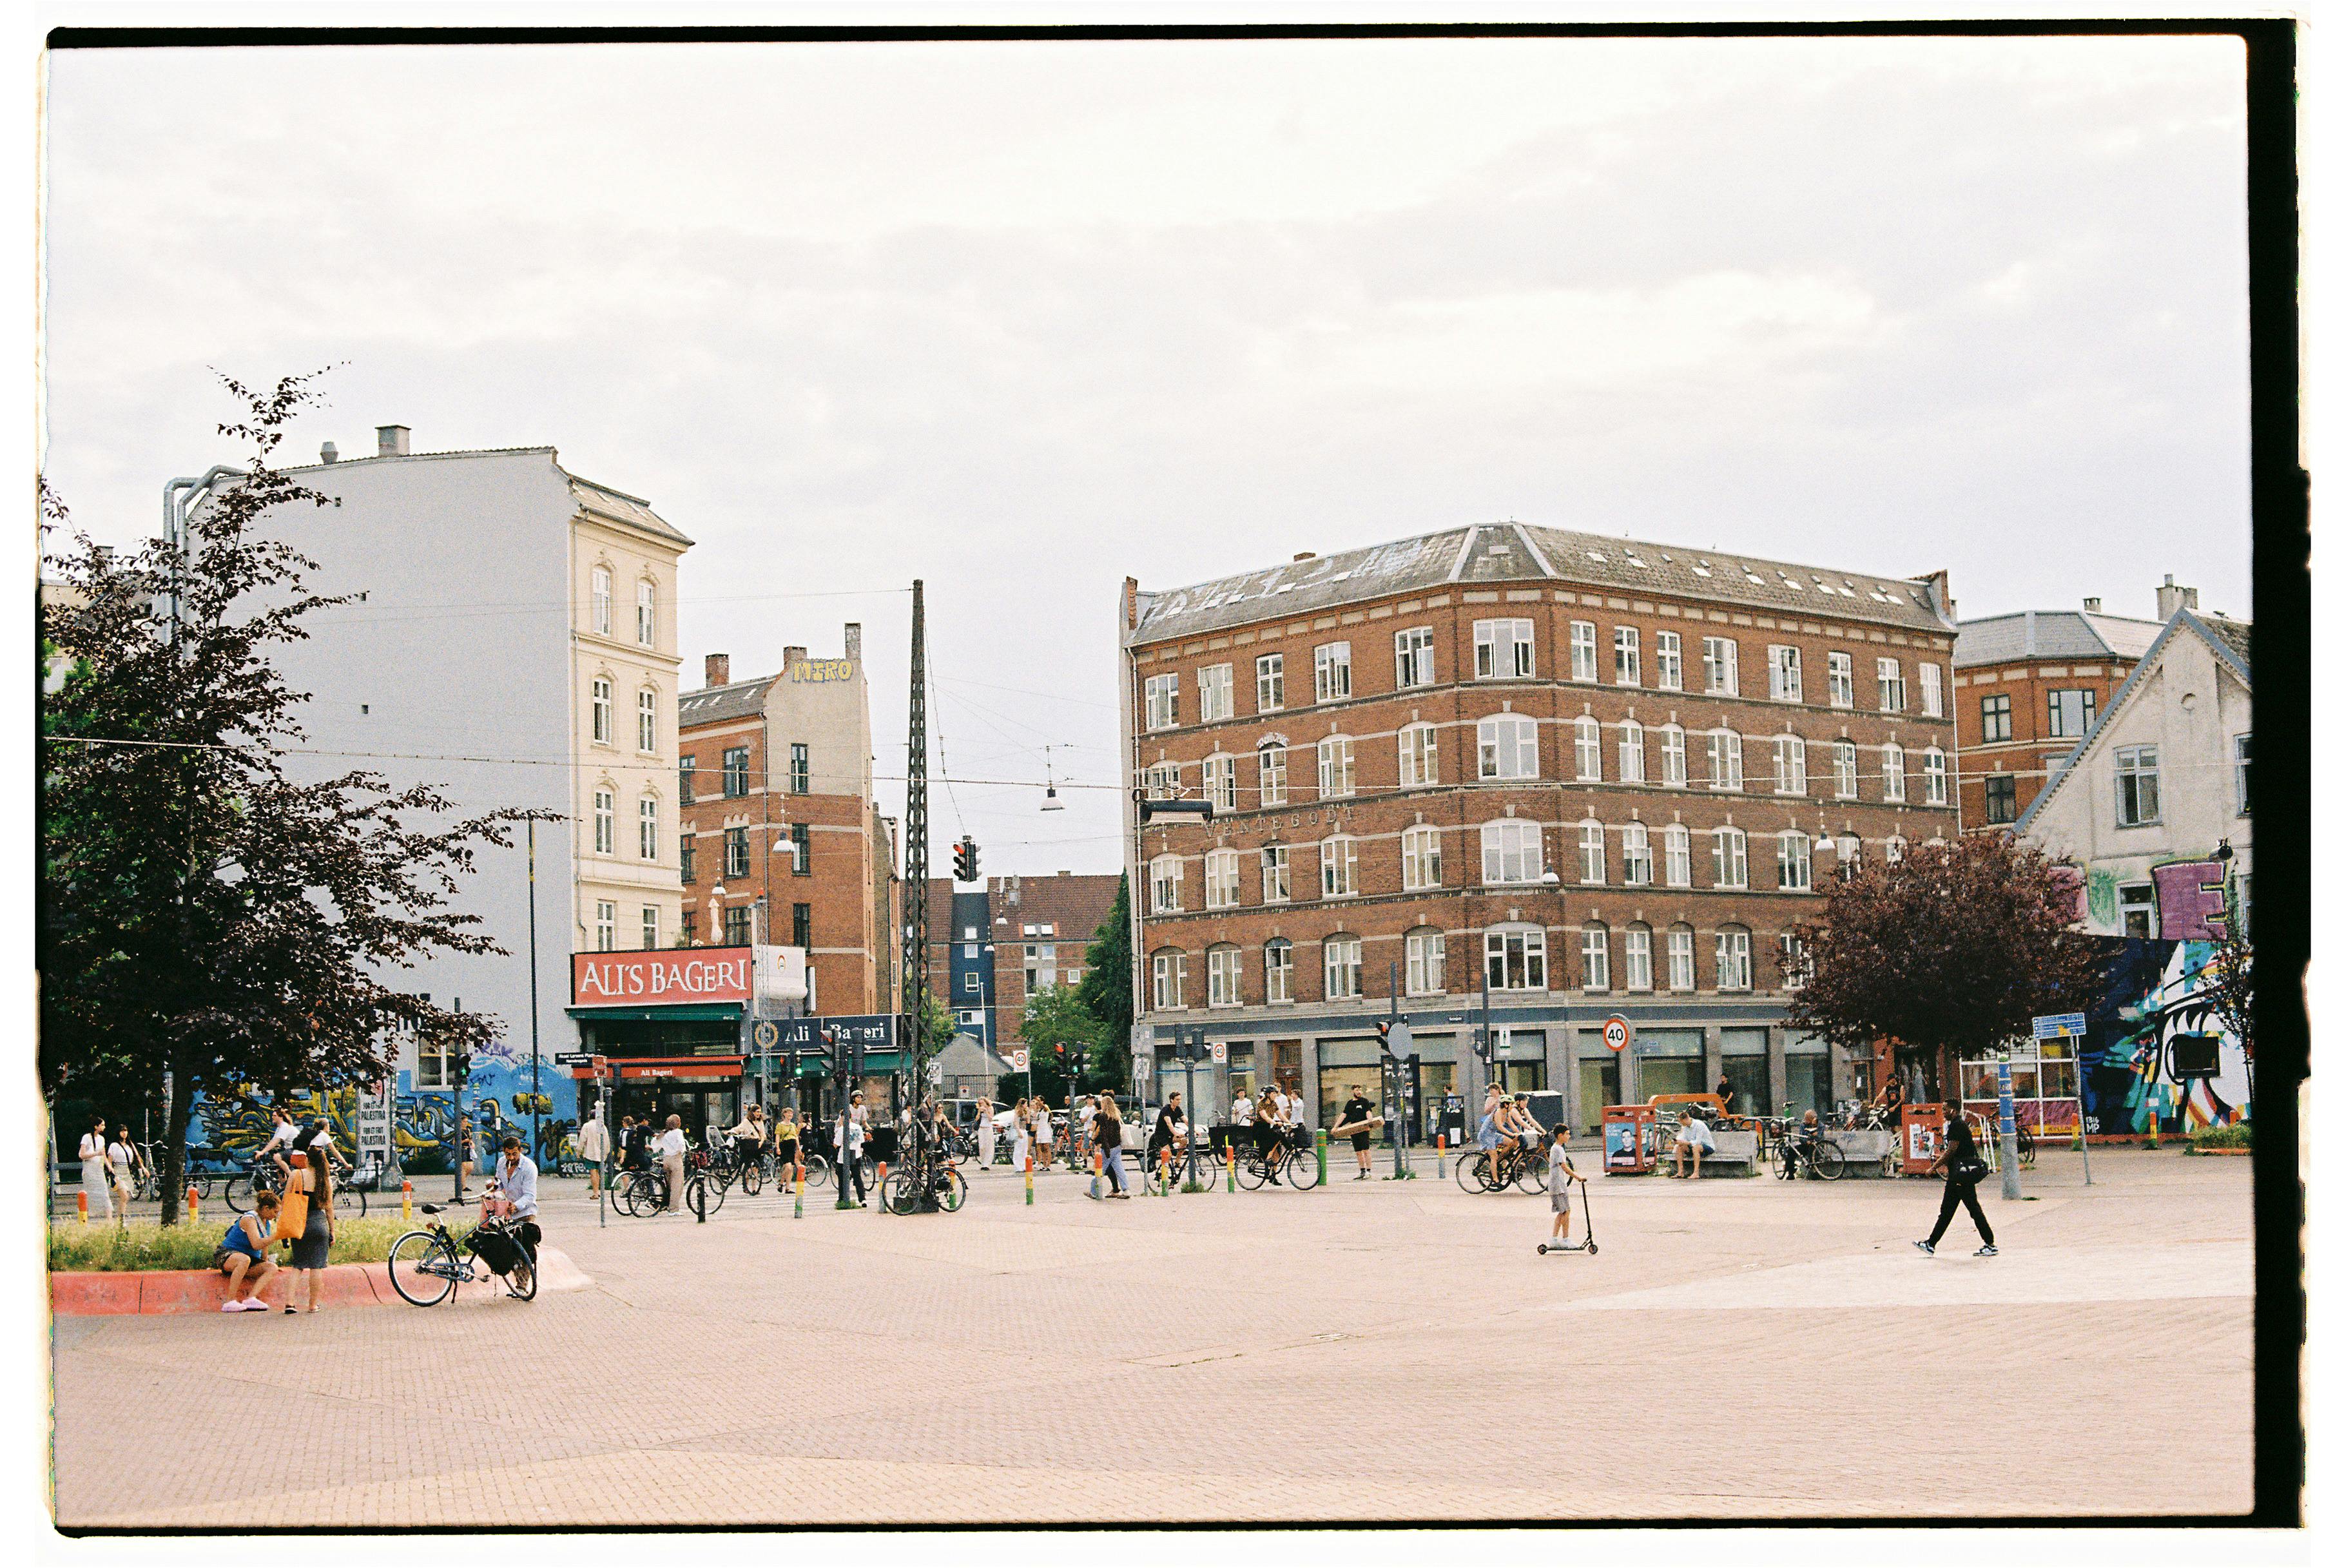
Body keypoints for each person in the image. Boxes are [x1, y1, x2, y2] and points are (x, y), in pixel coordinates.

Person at [1916, 1113, 1997, 1257]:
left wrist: (1934, 1167)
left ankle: (1990, 1244)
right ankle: (1931, 1244)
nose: (1944, 1111)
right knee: (1950, 1212)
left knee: (1969, 1210)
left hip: (1960, 1176)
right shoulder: (1958, 1125)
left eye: (1946, 1108)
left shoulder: (1957, 1125)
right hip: (1959, 1175)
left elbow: (1951, 1151)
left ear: (1953, 1110)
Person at [271, 1148, 333, 1314]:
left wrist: (281, 1223)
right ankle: (313, 1305)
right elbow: (329, 1208)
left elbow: (285, 1201)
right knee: (317, 1266)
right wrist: (332, 1232)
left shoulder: (296, 1175)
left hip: (299, 1222)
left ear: (307, 1160)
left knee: (298, 1265)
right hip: (319, 1224)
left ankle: (290, 1303)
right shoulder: (325, 1179)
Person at [213, 1192, 281, 1310]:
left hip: (248, 1261)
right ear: (266, 1208)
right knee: (244, 1259)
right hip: (227, 1255)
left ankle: (251, 1299)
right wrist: (277, 1236)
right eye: (275, 1212)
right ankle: (229, 1302)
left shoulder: (266, 1223)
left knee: (272, 1267)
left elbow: (264, 1244)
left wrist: (265, 1263)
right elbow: (256, 1244)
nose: (276, 1215)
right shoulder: (250, 1219)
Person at [489, 1134, 543, 1274]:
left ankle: (522, 1285)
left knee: (524, 1246)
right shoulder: (501, 1163)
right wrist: (493, 1188)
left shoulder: (529, 1167)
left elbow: (530, 1196)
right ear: (503, 1152)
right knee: (508, 1247)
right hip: (507, 1211)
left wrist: (516, 1206)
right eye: (508, 1154)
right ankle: (515, 1279)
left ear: (521, 1150)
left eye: (514, 1154)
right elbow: (499, 1184)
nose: (511, 1158)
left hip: (525, 1211)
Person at [1547, 1127, 1583, 1247]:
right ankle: (1563, 1239)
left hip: (1558, 1184)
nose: (1569, 1136)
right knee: (1565, 1211)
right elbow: (1564, 1166)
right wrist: (1577, 1177)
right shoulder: (1558, 1149)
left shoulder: (1557, 1148)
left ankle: (1556, 1239)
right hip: (1557, 1186)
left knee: (1564, 1212)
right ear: (1560, 1135)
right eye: (1567, 1134)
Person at [77, 1117, 114, 1221]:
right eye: (102, 1125)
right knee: (88, 1195)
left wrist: (109, 1167)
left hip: (99, 1170)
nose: (104, 1127)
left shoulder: (102, 1139)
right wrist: (96, 1154)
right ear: (96, 1126)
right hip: (89, 1170)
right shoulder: (87, 1137)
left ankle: (109, 1221)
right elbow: (82, 1155)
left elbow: (103, 1155)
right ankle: (84, 1219)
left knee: (105, 1193)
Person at [1148, 1092, 1187, 1185]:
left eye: (1180, 1099)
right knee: (1168, 1155)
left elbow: (1185, 1120)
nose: (1179, 1101)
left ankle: (1177, 1162)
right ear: (1171, 1100)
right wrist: (1176, 1133)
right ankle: (1163, 1176)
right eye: (1177, 1100)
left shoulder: (1177, 1109)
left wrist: (1194, 1129)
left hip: (1170, 1135)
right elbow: (1169, 1124)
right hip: (1160, 1136)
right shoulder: (1166, 1110)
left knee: (1185, 1141)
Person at [1339, 1087, 1377, 1179]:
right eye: (1357, 1090)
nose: (1359, 1092)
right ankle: (1362, 1171)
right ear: (1353, 1091)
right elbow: (1344, 1116)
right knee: (1358, 1152)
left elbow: (1368, 1113)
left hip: (1364, 1129)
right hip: (1354, 1130)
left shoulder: (1364, 1101)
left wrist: (1370, 1122)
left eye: (1360, 1090)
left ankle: (1369, 1171)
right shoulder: (1350, 1103)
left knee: (1366, 1150)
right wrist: (1336, 1127)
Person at [835, 1099, 867, 1206]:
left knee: (842, 1177)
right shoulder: (858, 1128)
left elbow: (836, 1144)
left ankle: (842, 1198)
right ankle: (862, 1199)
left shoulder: (842, 1129)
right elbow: (862, 1141)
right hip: (857, 1154)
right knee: (857, 1177)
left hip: (844, 1156)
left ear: (843, 1117)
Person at [1096, 1094, 1128, 1197]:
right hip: (1117, 1146)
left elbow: (1104, 1134)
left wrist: (1106, 1148)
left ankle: (1094, 1191)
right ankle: (1126, 1190)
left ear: (1104, 1104)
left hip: (1108, 1148)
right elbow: (1117, 1132)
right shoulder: (1115, 1116)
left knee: (1100, 1169)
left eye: (1102, 1103)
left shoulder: (1103, 1116)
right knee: (1119, 1169)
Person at [655, 1114, 688, 1216]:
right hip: (675, 1159)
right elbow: (681, 1145)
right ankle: (674, 1209)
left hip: (666, 1159)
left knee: (667, 1184)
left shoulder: (664, 1133)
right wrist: (682, 1150)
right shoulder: (678, 1132)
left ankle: (665, 1204)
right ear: (678, 1123)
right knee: (676, 1186)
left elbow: (656, 1144)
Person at [1671, 1105, 1715, 1179]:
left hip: (1707, 1147)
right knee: (1680, 1147)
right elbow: (1683, 1138)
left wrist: (1686, 1143)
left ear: (1686, 1119)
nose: (1681, 1124)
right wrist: (1678, 1141)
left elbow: (1698, 1142)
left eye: (1682, 1122)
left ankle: (1696, 1173)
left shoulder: (1699, 1125)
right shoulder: (1684, 1127)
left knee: (1695, 1148)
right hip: (1693, 1146)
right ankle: (1680, 1172)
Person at [108, 1125, 142, 1208]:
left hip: (127, 1172)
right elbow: (110, 1161)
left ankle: (121, 1216)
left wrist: (143, 1169)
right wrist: (111, 1173)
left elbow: (137, 1158)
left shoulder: (130, 1145)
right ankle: (121, 1218)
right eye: (122, 1131)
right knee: (124, 1196)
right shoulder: (114, 1146)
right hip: (118, 1171)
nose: (124, 1133)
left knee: (125, 1197)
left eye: (126, 1131)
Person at [576, 1111, 609, 1196]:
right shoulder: (602, 1126)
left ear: (589, 1116)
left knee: (593, 1172)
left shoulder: (587, 1126)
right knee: (598, 1172)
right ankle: (600, 1191)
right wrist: (606, 1152)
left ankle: (595, 1193)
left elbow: (582, 1139)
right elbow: (607, 1140)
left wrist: (579, 1151)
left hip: (590, 1153)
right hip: (601, 1153)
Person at [726, 1105, 767, 1174]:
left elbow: (763, 1134)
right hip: (748, 1144)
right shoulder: (746, 1121)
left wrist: (761, 1142)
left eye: (760, 1112)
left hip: (757, 1143)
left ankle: (754, 1185)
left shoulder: (760, 1122)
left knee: (756, 1166)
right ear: (753, 1112)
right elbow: (738, 1128)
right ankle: (745, 1182)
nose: (759, 1114)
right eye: (757, 1112)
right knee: (748, 1165)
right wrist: (730, 1132)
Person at [1783, 1107, 1823, 1179]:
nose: (1805, 1120)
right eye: (1805, 1118)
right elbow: (1801, 1137)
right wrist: (1806, 1141)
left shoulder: (1819, 1124)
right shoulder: (1803, 1124)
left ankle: (1814, 1172)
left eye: (1807, 1118)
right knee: (1791, 1150)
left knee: (1812, 1149)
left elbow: (1820, 1137)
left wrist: (1814, 1136)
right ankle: (1791, 1173)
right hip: (1805, 1145)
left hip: (1817, 1146)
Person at [771, 1106, 800, 1183]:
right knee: (788, 1166)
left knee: (791, 1168)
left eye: (791, 1113)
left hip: (792, 1148)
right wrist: (778, 1147)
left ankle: (788, 1187)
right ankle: (781, 1182)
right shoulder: (780, 1125)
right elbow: (777, 1137)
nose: (790, 1115)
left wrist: (798, 1148)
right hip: (784, 1146)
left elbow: (796, 1137)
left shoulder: (793, 1125)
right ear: (784, 1114)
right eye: (788, 1113)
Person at [974, 1098, 994, 1172]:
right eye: (980, 1103)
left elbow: (991, 1119)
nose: (982, 1105)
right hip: (981, 1128)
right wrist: (979, 1112)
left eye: (982, 1103)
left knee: (988, 1146)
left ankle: (987, 1164)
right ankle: (983, 1162)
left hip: (988, 1128)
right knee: (982, 1147)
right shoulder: (980, 1109)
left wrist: (986, 1112)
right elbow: (976, 1119)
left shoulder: (990, 1108)